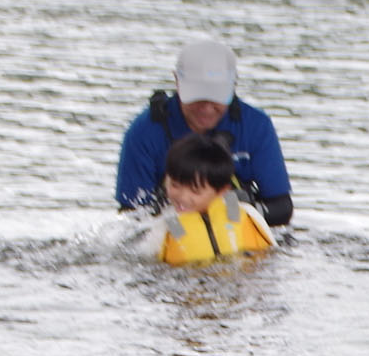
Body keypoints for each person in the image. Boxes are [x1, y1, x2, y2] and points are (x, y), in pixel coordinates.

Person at [113, 34, 293, 227]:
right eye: (198, 97)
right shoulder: (143, 132)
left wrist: (229, 214)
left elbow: (282, 207)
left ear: (233, 86)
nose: (207, 108)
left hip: (232, 217)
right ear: (177, 81)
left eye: (216, 97)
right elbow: (131, 214)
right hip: (174, 221)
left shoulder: (257, 126)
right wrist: (176, 225)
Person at [143, 134, 275, 265]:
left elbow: (270, 256)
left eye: (195, 191)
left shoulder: (245, 214)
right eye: (174, 185)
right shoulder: (166, 226)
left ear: (222, 191)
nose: (182, 197)